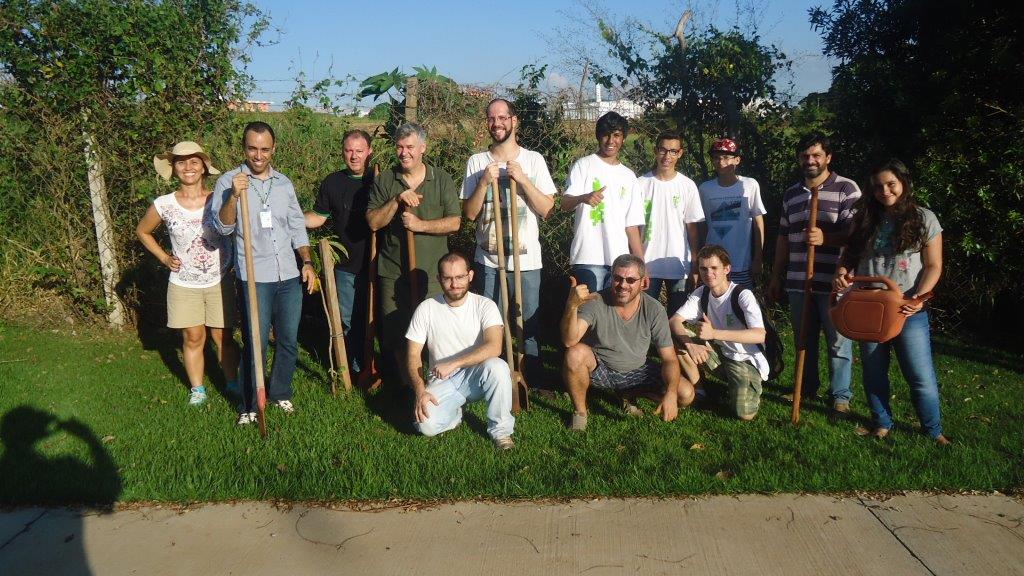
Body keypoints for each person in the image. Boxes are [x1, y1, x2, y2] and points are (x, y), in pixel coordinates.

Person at [834, 159, 950, 445]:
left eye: (891, 184)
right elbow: (849, 257)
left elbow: (934, 265)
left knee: (919, 375)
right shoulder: (863, 219)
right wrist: (842, 274)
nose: (884, 191)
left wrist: (919, 298)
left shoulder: (925, 218)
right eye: (878, 186)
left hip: (907, 309)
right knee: (874, 373)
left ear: (904, 184)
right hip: (868, 308)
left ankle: (933, 430)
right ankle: (881, 422)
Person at [211, 122, 317, 425]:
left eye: (265, 149)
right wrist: (234, 196)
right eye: (252, 148)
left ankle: (280, 392)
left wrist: (306, 262)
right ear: (244, 148)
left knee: (288, 339)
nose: (258, 155)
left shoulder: (284, 183)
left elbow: (296, 225)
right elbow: (223, 227)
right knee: (255, 343)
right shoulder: (229, 181)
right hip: (255, 275)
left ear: (273, 149)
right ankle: (249, 405)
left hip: (288, 274)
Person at [137, 140, 239, 406]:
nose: (188, 167)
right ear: (173, 168)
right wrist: (163, 257)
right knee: (193, 337)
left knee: (223, 336)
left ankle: (232, 383)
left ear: (204, 167)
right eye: (181, 162)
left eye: (194, 161)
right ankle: (198, 390)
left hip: (219, 279)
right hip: (184, 283)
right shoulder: (164, 204)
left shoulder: (219, 198)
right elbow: (143, 231)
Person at [462, 98, 556, 379]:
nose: (497, 123)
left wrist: (524, 180)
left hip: (527, 261)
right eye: (492, 118)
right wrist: (483, 182)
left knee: (529, 324)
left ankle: (532, 379)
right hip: (489, 260)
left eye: (502, 117)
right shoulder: (477, 162)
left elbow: (547, 209)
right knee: (493, 324)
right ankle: (496, 377)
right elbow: (470, 213)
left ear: (514, 121)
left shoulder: (533, 160)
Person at [768, 133, 860, 414]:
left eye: (816, 155)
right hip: (799, 279)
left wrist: (826, 238)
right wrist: (776, 275)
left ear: (828, 157)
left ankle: (840, 396)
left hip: (835, 282)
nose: (810, 160)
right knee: (803, 338)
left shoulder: (846, 189)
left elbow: (856, 235)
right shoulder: (792, 194)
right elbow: (783, 238)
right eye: (805, 156)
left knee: (838, 341)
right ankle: (806, 387)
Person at [366, 123, 461, 382]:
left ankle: (437, 382)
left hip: (433, 274)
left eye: (410, 147)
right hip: (393, 271)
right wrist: (396, 200)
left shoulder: (440, 179)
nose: (404, 153)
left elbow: (455, 222)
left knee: (435, 333)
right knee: (397, 332)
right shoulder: (386, 180)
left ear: (422, 148)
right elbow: (373, 222)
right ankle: (409, 386)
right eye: (399, 147)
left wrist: (420, 226)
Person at [561, 254, 695, 431]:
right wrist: (571, 306)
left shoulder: (654, 309)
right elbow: (569, 340)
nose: (623, 285)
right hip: (602, 368)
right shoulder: (595, 301)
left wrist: (670, 393)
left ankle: (628, 394)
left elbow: (669, 358)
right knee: (574, 354)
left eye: (630, 280)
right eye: (617, 278)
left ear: (643, 283)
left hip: (638, 371)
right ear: (611, 277)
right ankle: (580, 413)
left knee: (685, 394)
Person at [406, 252, 515, 450]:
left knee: (498, 366)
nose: (454, 284)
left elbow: (494, 346)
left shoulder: (485, 305)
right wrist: (420, 391)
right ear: (439, 278)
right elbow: (413, 355)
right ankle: (455, 415)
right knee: (425, 425)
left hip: (477, 375)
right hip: (442, 380)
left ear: (470, 276)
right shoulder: (426, 308)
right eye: (447, 278)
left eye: (460, 277)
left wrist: (453, 363)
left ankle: (501, 432)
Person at [670, 245, 769, 420]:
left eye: (714, 268)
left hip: (744, 359)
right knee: (675, 337)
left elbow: (759, 335)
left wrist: (714, 334)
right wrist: (691, 345)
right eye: (703, 268)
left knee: (744, 414)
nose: (708, 273)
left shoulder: (742, 295)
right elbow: (674, 320)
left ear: (727, 269)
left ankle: (747, 384)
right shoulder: (702, 293)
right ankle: (700, 390)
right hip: (719, 351)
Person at [304, 129, 374, 373]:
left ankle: (379, 369)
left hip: (377, 263)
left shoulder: (379, 180)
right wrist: (291, 218)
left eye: (359, 151)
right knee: (347, 320)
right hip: (345, 265)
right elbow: (318, 217)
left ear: (369, 152)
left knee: (375, 320)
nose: (354, 156)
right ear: (343, 152)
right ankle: (352, 369)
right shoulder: (333, 182)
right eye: (348, 150)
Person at [561, 112, 642, 292]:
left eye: (616, 135)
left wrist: (640, 265)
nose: (611, 141)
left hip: (620, 262)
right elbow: (564, 203)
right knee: (589, 308)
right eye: (606, 135)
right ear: (598, 136)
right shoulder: (583, 165)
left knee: (615, 309)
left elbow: (631, 226)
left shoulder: (629, 176)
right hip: (588, 257)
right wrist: (583, 197)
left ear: (623, 138)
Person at [628, 131, 704, 313]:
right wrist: (638, 263)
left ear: (680, 153)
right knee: (645, 315)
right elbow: (633, 227)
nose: (667, 156)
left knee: (677, 317)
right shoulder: (640, 184)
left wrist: (695, 265)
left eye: (673, 151)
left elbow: (693, 230)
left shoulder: (687, 185)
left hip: (679, 265)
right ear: (655, 151)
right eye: (662, 150)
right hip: (647, 265)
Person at [698, 138, 766, 289]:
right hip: (712, 265)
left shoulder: (750, 185)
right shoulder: (705, 189)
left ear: (737, 160)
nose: (721, 162)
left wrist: (758, 258)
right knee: (712, 301)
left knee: (742, 300)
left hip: (741, 263)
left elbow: (758, 222)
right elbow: (702, 225)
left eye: (726, 157)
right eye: (717, 157)